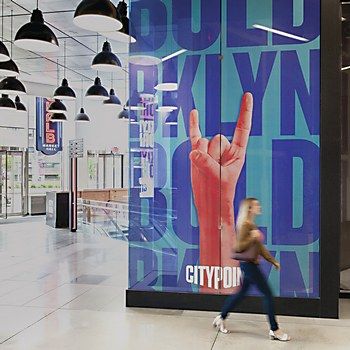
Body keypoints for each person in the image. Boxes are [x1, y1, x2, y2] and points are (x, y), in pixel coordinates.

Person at [213, 198, 291, 341]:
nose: (259, 207)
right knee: (267, 294)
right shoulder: (245, 225)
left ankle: (221, 316)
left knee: (241, 293)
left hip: (250, 265)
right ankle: (275, 329)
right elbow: (238, 247)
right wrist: (252, 237)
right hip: (249, 265)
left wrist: (272, 261)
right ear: (249, 208)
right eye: (256, 205)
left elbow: (259, 247)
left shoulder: (250, 224)